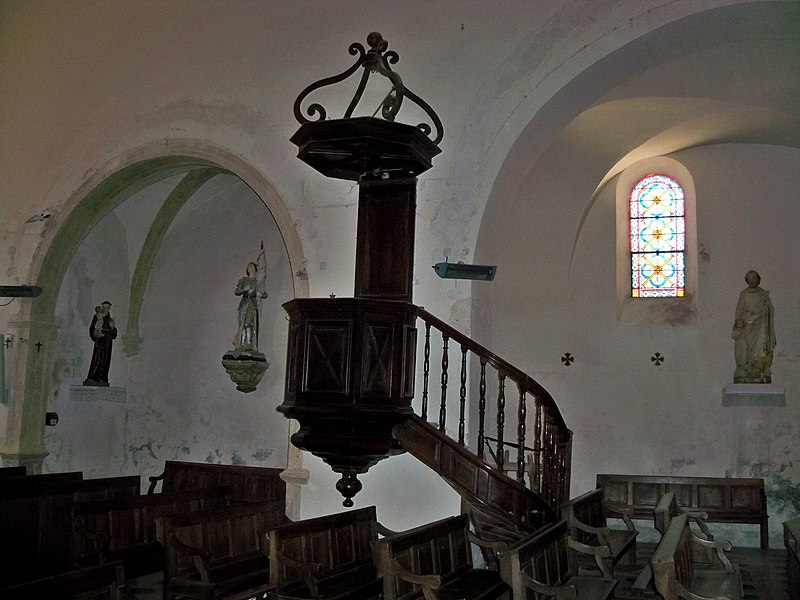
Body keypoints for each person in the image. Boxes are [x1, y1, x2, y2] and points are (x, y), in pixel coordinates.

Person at [732, 270, 776, 383]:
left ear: (758, 279)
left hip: (760, 326)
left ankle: (759, 368)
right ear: (746, 280)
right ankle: (745, 368)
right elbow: (739, 311)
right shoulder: (744, 294)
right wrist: (738, 323)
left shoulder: (763, 294)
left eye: (754, 278)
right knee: (744, 346)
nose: (752, 281)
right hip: (747, 324)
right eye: (749, 279)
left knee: (759, 347)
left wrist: (761, 311)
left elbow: (770, 309)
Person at [231, 243, 268, 357]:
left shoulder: (257, 282)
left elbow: (264, 294)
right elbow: (236, 291)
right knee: (242, 324)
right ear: (247, 269)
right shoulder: (244, 280)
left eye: (252, 266)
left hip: (253, 304)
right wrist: (243, 289)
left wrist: (260, 294)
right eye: (249, 266)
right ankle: (240, 344)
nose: (250, 267)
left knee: (250, 323)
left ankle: (249, 345)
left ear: (255, 269)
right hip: (244, 304)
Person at [83, 300, 117, 386]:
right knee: (97, 359)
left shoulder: (110, 320)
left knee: (105, 360)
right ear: (102, 307)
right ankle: (93, 377)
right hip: (100, 341)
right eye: (104, 307)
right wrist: (94, 333)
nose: (105, 309)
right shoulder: (97, 317)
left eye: (107, 307)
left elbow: (114, 334)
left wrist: (113, 329)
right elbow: (92, 328)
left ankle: (102, 378)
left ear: (109, 308)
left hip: (108, 342)